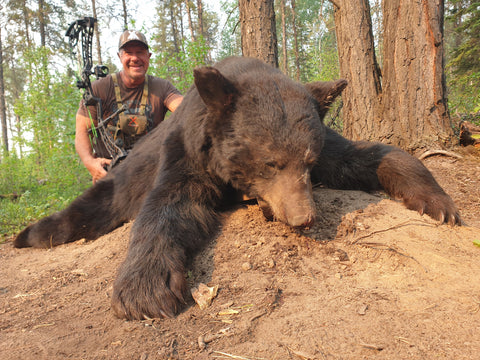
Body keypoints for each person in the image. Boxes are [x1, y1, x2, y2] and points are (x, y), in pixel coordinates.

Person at [75, 30, 183, 183]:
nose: (135, 58)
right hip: (109, 177)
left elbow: (184, 108)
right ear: (120, 56)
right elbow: (82, 132)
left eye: (140, 52)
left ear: (148, 56)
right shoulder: (99, 89)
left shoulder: (162, 88)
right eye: (128, 53)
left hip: (150, 177)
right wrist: (90, 162)